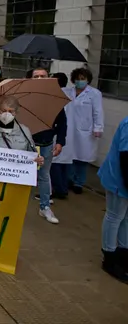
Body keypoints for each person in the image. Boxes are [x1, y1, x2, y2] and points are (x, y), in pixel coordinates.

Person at [57, 68, 104, 194]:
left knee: (82, 158)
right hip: (70, 128)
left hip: (86, 131)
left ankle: (79, 182)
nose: (80, 81)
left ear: (88, 80)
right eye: (77, 78)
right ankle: (69, 180)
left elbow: (97, 112)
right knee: (70, 156)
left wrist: (98, 127)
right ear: (73, 79)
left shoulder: (94, 94)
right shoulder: (67, 91)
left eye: (83, 79)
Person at [29, 67, 66, 224]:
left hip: (46, 144)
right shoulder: (26, 97)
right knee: (21, 177)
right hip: (28, 145)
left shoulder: (54, 98)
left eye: (43, 76)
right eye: (36, 76)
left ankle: (44, 207)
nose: (39, 79)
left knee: (44, 176)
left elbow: (63, 122)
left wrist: (60, 141)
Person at [97, 115, 128, 283]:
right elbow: (126, 158)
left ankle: (123, 255)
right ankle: (109, 257)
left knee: (127, 219)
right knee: (114, 216)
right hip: (119, 179)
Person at [0, 95, 44, 164]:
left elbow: (32, 155)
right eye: (3, 110)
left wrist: (38, 160)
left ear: (16, 112)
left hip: (17, 173)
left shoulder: (24, 131)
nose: (7, 114)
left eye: (11, 111)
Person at [50, 72, 71, 199]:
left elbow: (62, 121)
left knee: (54, 164)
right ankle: (62, 188)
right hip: (60, 136)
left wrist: (59, 140)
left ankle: (59, 189)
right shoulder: (69, 94)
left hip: (56, 135)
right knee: (61, 163)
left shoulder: (58, 96)